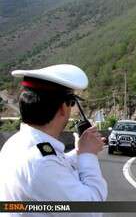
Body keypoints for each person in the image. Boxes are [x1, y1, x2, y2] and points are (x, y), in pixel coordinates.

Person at [0, 64, 107, 215]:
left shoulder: (15, 143)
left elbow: (57, 165)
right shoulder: (40, 162)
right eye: (72, 103)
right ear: (64, 108)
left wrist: (79, 151)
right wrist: (88, 155)